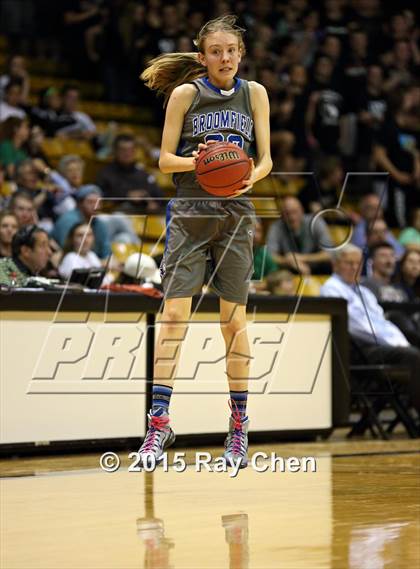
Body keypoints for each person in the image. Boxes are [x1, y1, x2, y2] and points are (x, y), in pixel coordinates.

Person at [137, 15, 272, 469]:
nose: (225, 58)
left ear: (241, 54)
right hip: (192, 212)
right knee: (174, 315)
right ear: (202, 57)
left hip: (235, 214)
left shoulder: (256, 94)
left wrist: (246, 177)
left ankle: (238, 426)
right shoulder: (185, 95)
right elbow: (164, 161)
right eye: (215, 51)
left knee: (233, 324)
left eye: (231, 51)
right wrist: (199, 162)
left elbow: (266, 160)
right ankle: (158, 424)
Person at [321, 244, 420, 413]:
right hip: (360, 350)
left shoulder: (364, 291)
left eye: (357, 263)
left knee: (412, 351)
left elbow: (382, 323)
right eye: (348, 263)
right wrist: (397, 344)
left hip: (380, 345)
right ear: (336, 265)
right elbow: (359, 328)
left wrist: (400, 342)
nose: (354, 268)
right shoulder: (331, 290)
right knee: (413, 355)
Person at [266, 195, 333, 275]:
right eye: (287, 213)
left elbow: (329, 254)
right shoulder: (276, 227)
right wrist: (290, 261)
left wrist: (301, 258)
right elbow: (270, 256)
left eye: (294, 212)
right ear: (282, 214)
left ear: (302, 210)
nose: (292, 217)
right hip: (288, 270)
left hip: (316, 268)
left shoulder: (315, 222)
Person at [96, 133, 163, 211]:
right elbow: (100, 196)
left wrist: (154, 202)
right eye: (123, 150)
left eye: (130, 150)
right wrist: (126, 195)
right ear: (115, 151)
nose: (127, 153)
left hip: (145, 213)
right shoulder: (105, 174)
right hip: (118, 214)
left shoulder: (143, 174)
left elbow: (159, 195)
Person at [50, 184, 111, 260]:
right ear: (80, 204)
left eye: (99, 202)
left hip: (92, 263)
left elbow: (106, 252)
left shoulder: (100, 224)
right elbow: (69, 253)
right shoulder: (68, 220)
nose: (96, 206)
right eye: (91, 202)